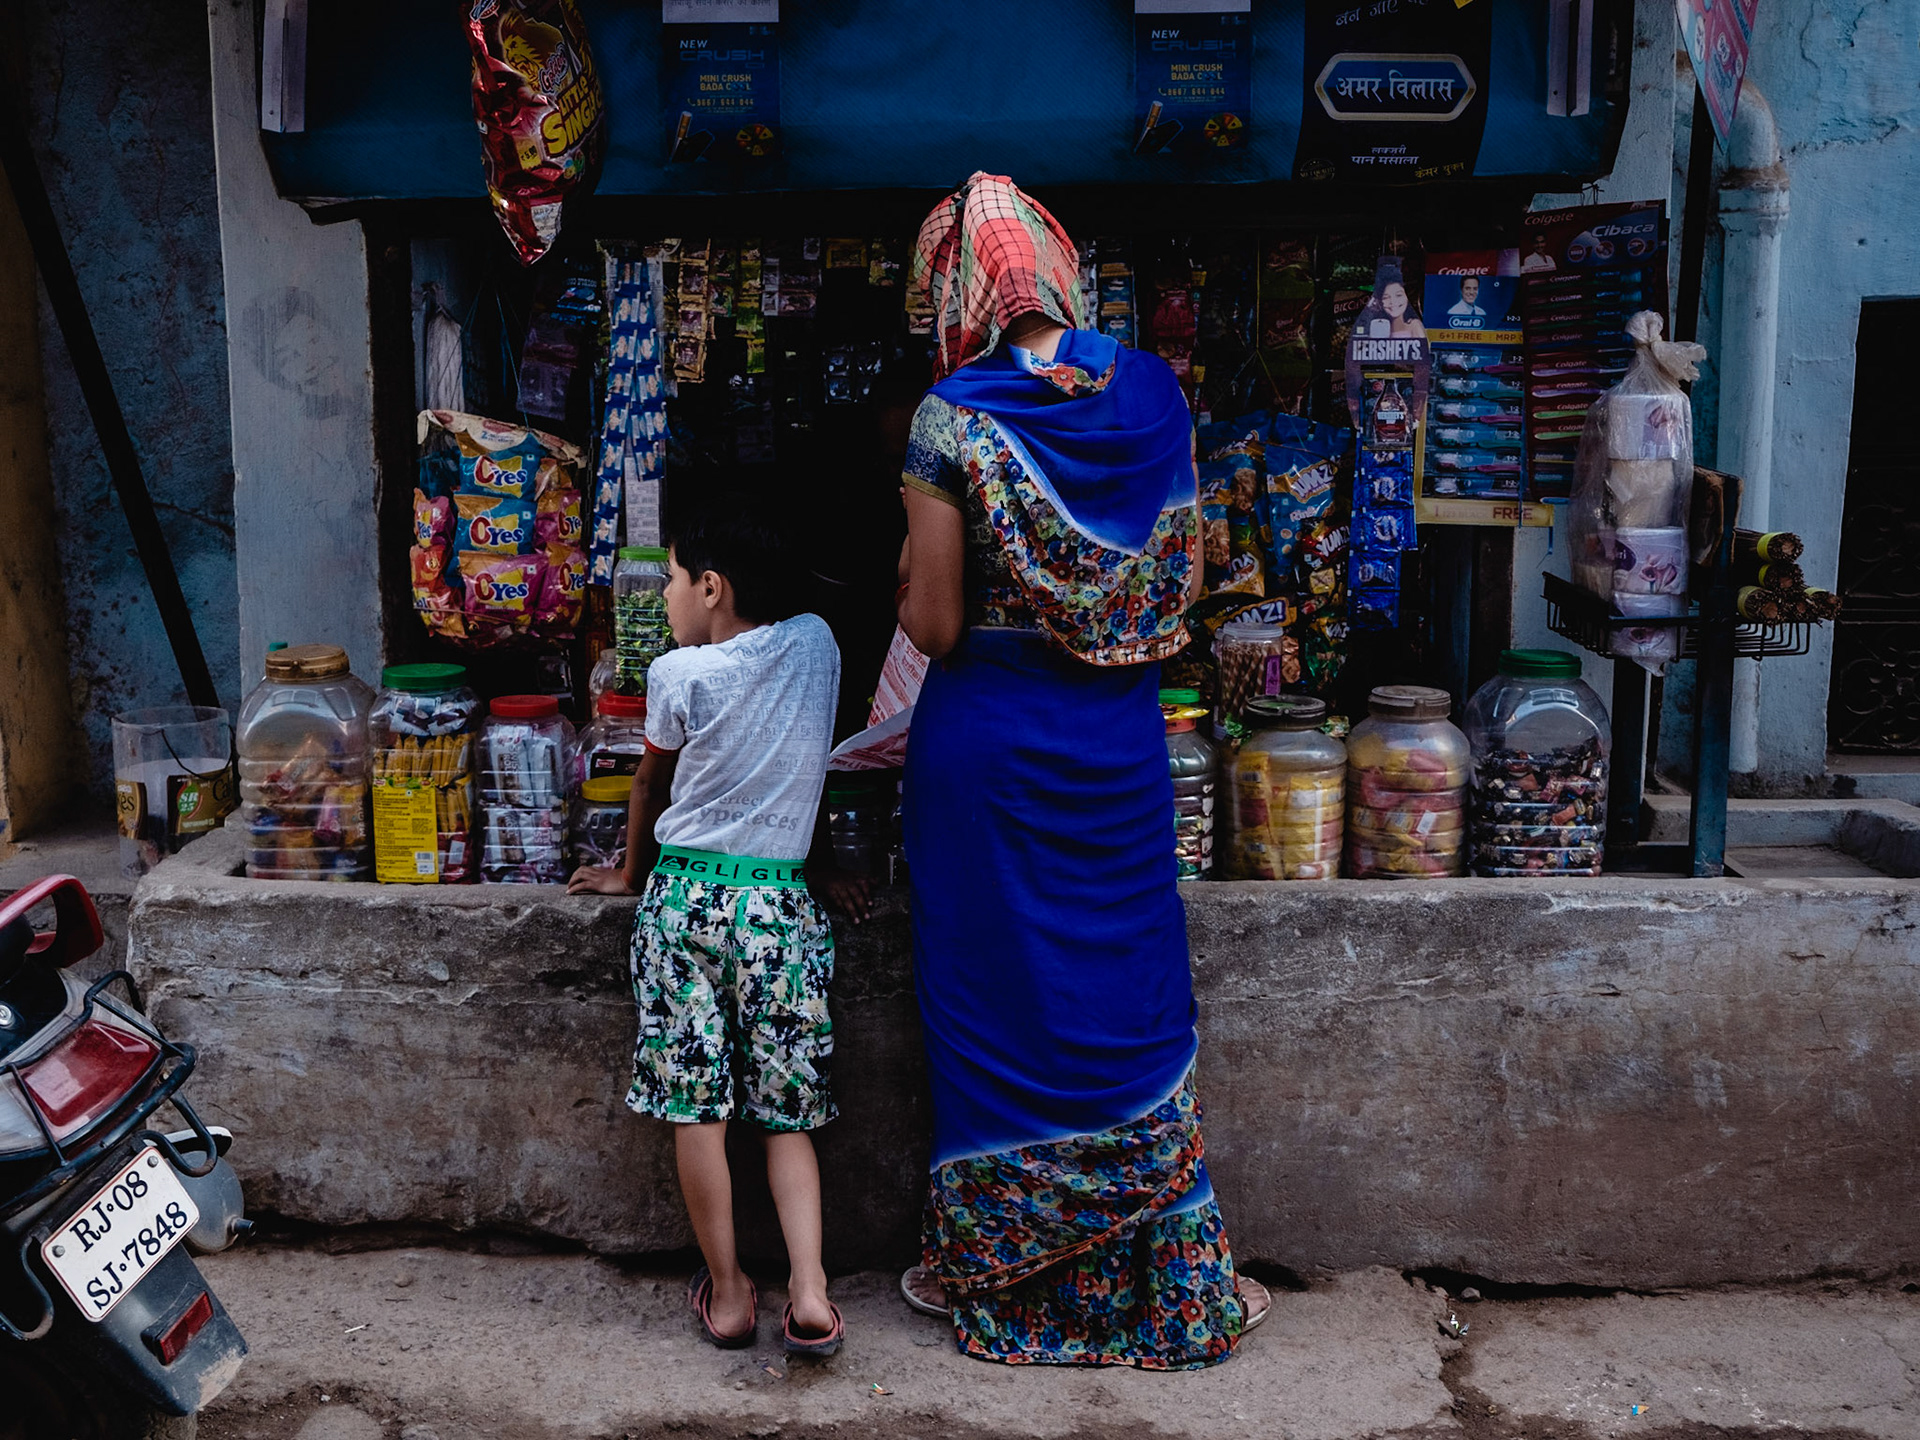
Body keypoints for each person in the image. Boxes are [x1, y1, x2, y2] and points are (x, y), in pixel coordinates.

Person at [891, 171, 1269, 1369]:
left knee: (994, 1003)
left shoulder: (951, 417)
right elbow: (1184, 580)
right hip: (1114, 747)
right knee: (1125, 997)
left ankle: (1005, 1275)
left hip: (988, 752)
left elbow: (935, 625)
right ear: (1059, 271)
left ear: (953, 291)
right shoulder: (1150, 392)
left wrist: (906, 571)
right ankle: (1165, 1279)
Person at [569, 509, 846, 1358]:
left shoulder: (677, 672)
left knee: (697, 1110)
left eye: (674, 581)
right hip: (778, 909)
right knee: (788, 1115)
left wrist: (627, 873)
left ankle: (728, 1296)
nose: (667, 598)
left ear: (713, 588)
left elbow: (650, 780)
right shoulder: (818, 646)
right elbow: (803, 764)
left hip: (685, 902)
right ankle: (810, 1290)